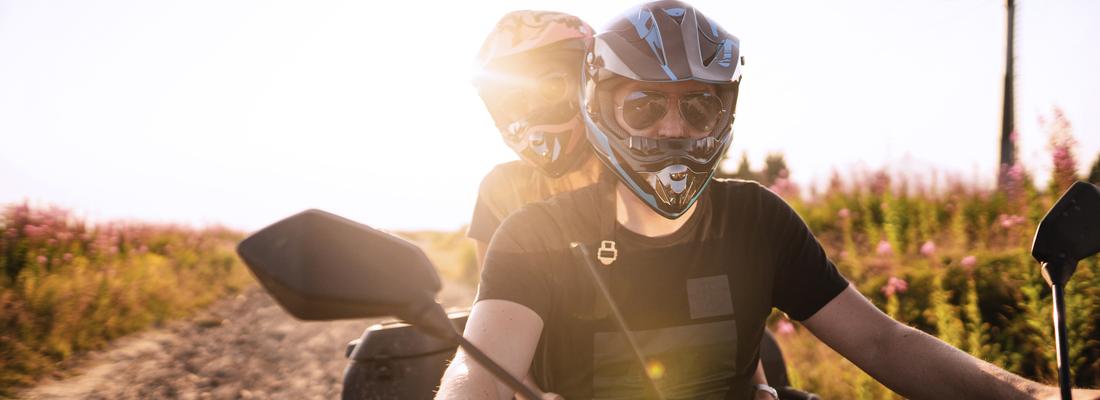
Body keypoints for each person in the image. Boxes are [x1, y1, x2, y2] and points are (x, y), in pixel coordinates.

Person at [444, 1, 1100, 399]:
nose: (673, 129)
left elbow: (883, 344)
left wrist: (1033, 395)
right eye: (643, 105)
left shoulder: (756, 219)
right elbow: (480, 369)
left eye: (698, 105)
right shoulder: (531, 228)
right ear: (603, 105)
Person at [466, 10, 774, 397]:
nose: (531, 111)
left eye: (549, 89)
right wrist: (528, 392)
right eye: (514, 99)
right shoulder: (502, 189)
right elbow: (494, 319)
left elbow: (712, 290)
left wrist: (758, 386)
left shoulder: (642, 177)